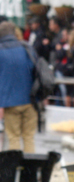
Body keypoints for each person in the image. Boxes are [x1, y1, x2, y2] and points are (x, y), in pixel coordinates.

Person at [0, 21, 36, 153]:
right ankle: (29, 171)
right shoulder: (26, 47)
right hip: (30, 99)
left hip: (10, 102)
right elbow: (34, 69)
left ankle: (14, 168)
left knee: (13, 138)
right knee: (28, 137)